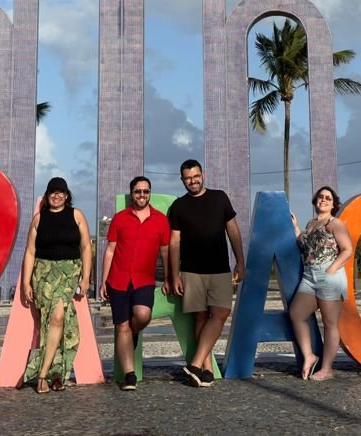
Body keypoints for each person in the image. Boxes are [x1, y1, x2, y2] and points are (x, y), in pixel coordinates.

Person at [166, 159, 245, 387]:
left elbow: (233, 230)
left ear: (203, 175)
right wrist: (174, 275)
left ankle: (195, 364)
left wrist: (240, 261)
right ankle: (206, 369)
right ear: (182, 180)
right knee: (199, 317)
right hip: (191, 270)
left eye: (196, 176)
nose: (193, 181)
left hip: (220, 268)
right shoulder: (179, 207)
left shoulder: (220, 198)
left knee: (220, 313)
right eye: (188, 178)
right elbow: (174, 242)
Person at [20, 176, 93, 393]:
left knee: (58, 316)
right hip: (43, 273)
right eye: (53, 192)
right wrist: (26, 282)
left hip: (69, 272)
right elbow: (30, 252)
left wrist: (87, 277)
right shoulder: (38, 219)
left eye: (61, 192)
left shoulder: (76, 215)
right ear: (47, 195)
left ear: (67, 195)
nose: (57, 195)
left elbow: (86, 247)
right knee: (51, 323)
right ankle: (57, 373)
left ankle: (41, 374)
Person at [100, 176, 170, 391]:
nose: (142, 195)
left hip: (144, 279)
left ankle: (134, 332)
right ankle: (130, 376)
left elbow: (165, 251)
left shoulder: (160, 220)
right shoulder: (120, 218)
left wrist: (168, 277)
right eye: (138, 191)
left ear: (150, 193)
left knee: (142, 316)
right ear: (132, 193)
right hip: (118, 279)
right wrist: (103, 281)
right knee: (121, 326)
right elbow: (110, 249)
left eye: (146, 192)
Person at [288, 186, 353, 380]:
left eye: (327, 198)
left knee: (330, 323)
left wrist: (332, 269)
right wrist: (297, 229)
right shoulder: (311, 224)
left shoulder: (335, 224)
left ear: (334, 204)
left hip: (329, 278)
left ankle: (327, 368)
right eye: (320, 197)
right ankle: (309, 355)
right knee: (296, 314)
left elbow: (347, 249)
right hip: (309, 277)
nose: (323, 200)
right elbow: (306, 246)